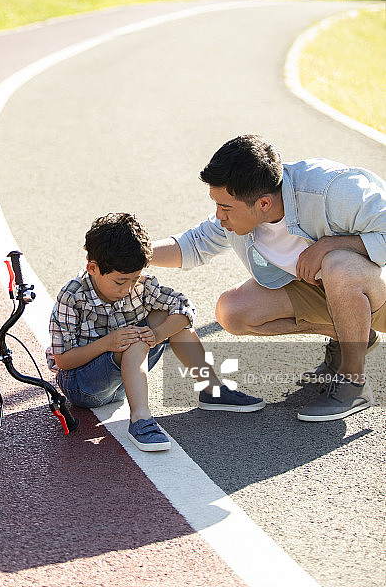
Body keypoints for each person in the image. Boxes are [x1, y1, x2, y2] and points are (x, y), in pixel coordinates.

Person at [151, 134, 386, 422]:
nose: (218, 216)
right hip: (330, 292)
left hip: (376, 290)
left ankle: (353, 384)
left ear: (263, 204)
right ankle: (350, 335)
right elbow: (194, 244)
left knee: (338, 263)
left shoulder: (333, 190)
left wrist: (331, 244)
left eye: (225, 208)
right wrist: (136, 254)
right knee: (233, 310)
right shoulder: (243, 207)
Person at [47, 212, 265, 453]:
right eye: (120, 282)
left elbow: (184, 308)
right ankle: (140, 420)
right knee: (135, 339)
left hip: (122, 379)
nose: (128, 288)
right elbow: (63, 361)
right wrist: (107, 343)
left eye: (134, 279)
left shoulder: (140, 284)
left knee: (168, 318)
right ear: (93, 268)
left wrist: (158, 334)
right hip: (83, 386)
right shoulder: (72, 296)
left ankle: (212, 389)